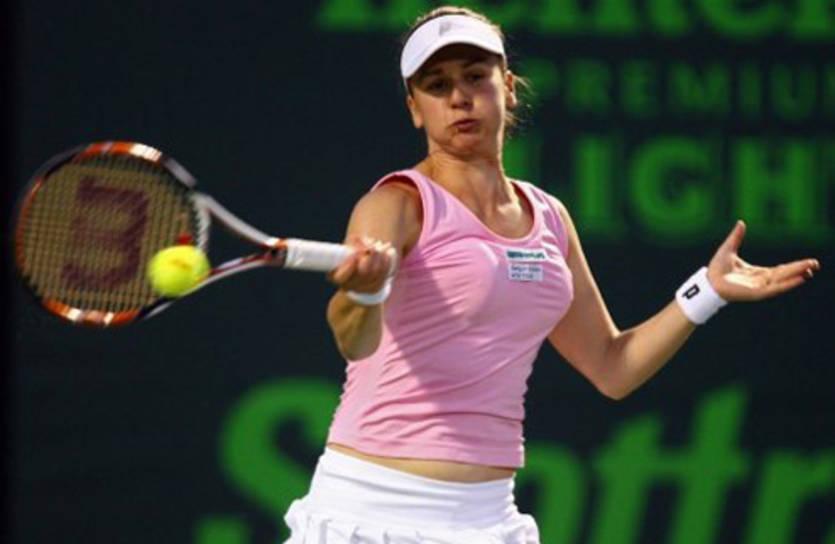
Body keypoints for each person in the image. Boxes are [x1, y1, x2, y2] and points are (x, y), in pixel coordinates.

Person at [281, 6, 821, 543]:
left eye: (475, 76)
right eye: (437, 85)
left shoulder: (550, 218)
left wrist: (707, 291)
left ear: (509, 87)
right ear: (415, 110)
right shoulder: (395, 205)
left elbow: (612, 365)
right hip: (371, 508)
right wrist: (366, 291)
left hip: (488, 518)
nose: (459, 97)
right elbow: (354, 340)